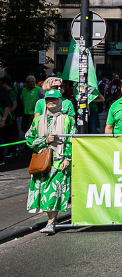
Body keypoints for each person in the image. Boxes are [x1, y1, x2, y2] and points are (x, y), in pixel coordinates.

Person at [25, 88, 74, 235]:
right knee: (43, 192)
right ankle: (51, 220)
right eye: (47, 100)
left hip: (59, 161)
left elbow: (72, 140)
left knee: (53, 192)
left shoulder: (67, 119)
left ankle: (51, 222)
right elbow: (29, 139)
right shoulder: (38, 120)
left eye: (53, 100)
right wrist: (44, 140)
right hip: (42, 161)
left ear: (60, 101)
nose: (50, 102)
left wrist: (68, 158)